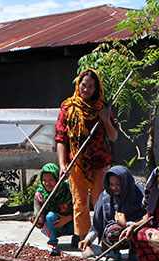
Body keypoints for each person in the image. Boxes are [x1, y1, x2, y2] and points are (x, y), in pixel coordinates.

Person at [55, 68, 119, 245]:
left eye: (91, 86)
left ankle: (107, 241)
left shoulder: (103, 108)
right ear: (78, 85)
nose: (86, 89)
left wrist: (105, 119)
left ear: (96, 89)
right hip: (77, 162)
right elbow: (61, 138)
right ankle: (84, 242)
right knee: (80, 203)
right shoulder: (68, 108)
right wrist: (62, 164)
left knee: (102, 203)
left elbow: (113, 136)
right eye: (84, 85)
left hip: (100, 162)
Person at [79, 165, 144, 258]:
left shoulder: (138, 195)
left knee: (141, 231)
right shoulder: (105, 197)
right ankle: (113, 251)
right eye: (111, 184)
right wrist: (88, 240)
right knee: (114, 231)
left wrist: (127, 225)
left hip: (132, 233)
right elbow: (97, 224)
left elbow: (146, 218)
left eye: (118, 184)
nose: (114, 188)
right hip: (113, 237)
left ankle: (135, 250)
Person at [30, 163, 76, 256]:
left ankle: (77, 240)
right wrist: (37, 219)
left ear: (57, 179)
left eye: (51, 180)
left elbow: (79, 208)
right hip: (52, 225)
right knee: (51, 216)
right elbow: (37, 213)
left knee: (81, 219)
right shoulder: (40, 194)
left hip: (70, 223)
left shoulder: (68, 189)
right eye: (44, 180)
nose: (47, 183)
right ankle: (52, 241)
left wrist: (68, 218)